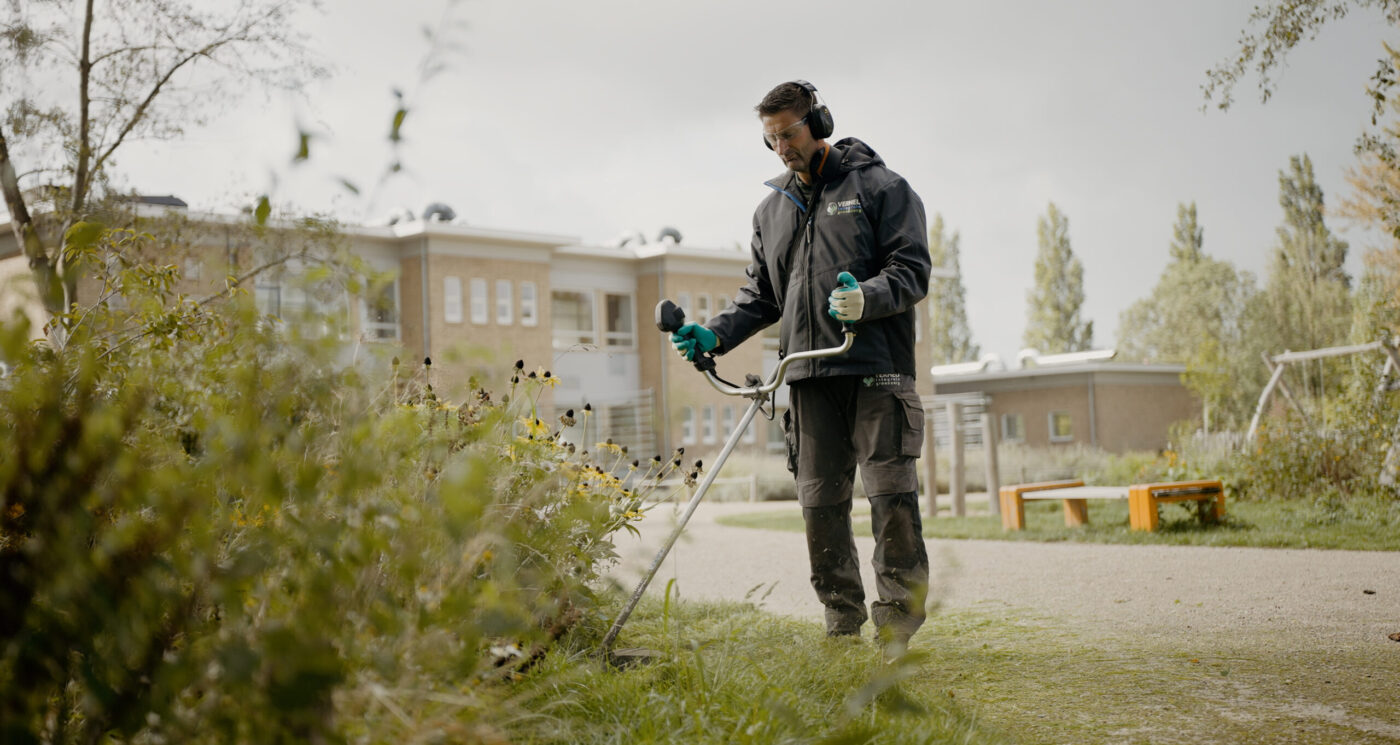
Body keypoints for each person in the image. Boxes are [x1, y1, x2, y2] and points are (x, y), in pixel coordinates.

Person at [670, 80, 932, 652]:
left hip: (875, 371)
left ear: (820, 123)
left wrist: (869, 295)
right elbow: (762, 297)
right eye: (770, 139)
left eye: (788, 133)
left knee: (891, 500)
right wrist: (714, 334)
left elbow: (911, 270)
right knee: (819, 506)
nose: (782, 147)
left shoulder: (883, 188)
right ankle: (841, 624)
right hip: (809, 376)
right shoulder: (771, 210)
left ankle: (896, 630)